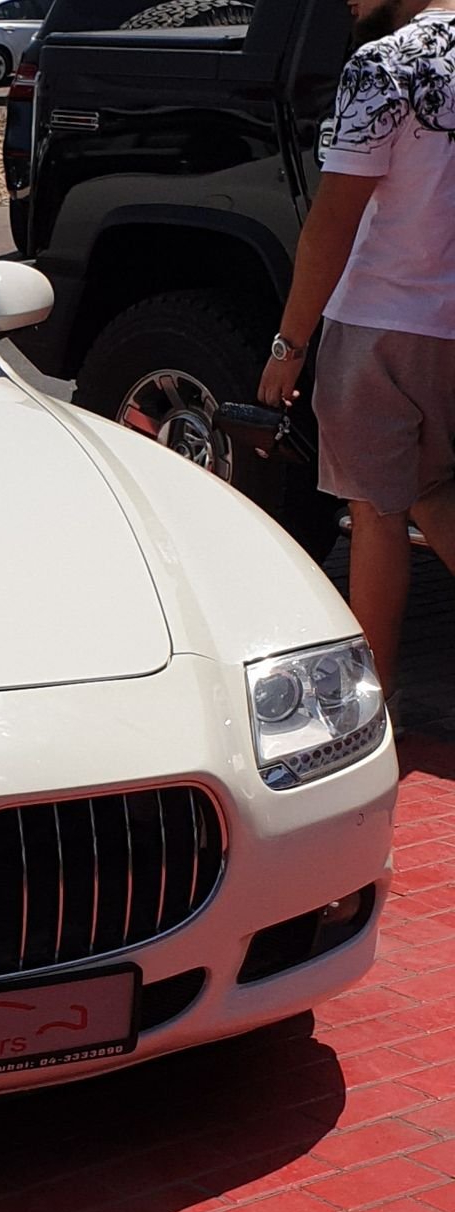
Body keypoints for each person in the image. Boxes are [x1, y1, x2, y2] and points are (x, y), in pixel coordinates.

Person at [259, 0, 455, 701]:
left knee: (375, 515)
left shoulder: (384, 65)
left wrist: (289, 344)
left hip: (380, 322)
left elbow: (334, 220)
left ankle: (372, 714)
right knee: (432, 488)